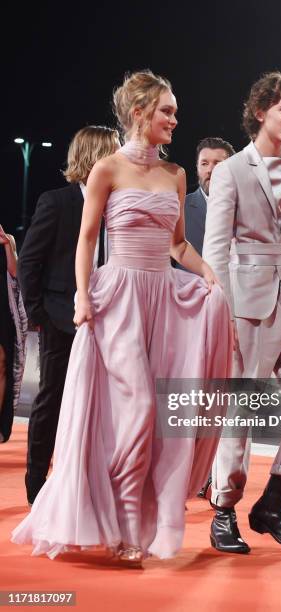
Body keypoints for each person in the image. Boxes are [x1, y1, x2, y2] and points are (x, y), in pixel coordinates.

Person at [12, 69, 232, 566]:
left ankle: (130, 522)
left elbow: (177, 244)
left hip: (163, 299)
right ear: (140, 113)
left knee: (161, 414)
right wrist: (83, 297)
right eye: (167, 111)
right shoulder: (107, 169)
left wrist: (209, 276)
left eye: (174, 111)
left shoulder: (175, 175)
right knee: (136, 409)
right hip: (119, 299)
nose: (175, 119)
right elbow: (88, 239)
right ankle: (127, 523)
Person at [203, 71, 281, 554]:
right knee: (240, 410)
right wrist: (222, 311)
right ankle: (224, 510)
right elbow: (215, 250)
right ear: (261, 111)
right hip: (245, 303)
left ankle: (272, 503)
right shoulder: (231, 170)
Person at [17, 126, 120, 506]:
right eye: (114, 151)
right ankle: (36, 482)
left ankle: (89, 481)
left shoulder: (119, 206)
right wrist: (38, 313)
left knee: (104, 404)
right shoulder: (57, 201)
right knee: (53, 398)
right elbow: (30, 261)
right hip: (63, 320)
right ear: (96, 156)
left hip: (111, 318)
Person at [0, 225, 27, 443]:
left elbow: (16, 273)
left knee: (1, 365)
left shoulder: (7, 239)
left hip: (3, 309)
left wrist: (7, 245)